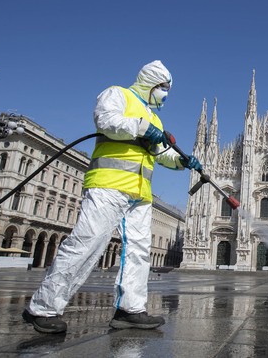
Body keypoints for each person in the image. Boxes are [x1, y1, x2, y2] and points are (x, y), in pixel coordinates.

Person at [22, 60, 202, 334]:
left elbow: (159, 152)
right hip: (108, 185)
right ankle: (43, 308)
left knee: (139, 253)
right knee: (87, 244)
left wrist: (181, 161)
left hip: (140, 194)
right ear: (151, 83)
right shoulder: (118, 94)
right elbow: (106, 121)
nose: (165, 93)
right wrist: (141, 128)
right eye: (163, 87)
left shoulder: (153, 117)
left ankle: (130, 309)